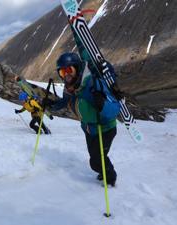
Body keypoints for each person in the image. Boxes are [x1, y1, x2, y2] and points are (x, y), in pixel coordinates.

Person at [43, 51, 121, 186]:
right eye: (62, 72)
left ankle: (110, 178)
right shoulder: (70, 88)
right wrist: (52, 105)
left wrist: (102, 104)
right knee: (95, 159)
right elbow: (65, 102)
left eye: (69, 70)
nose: (66, 75)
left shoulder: (92, 84)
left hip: (105, 129)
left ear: (77, 68)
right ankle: (103, 171)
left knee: (97, 160)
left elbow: (114, 109)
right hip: (89, 129)